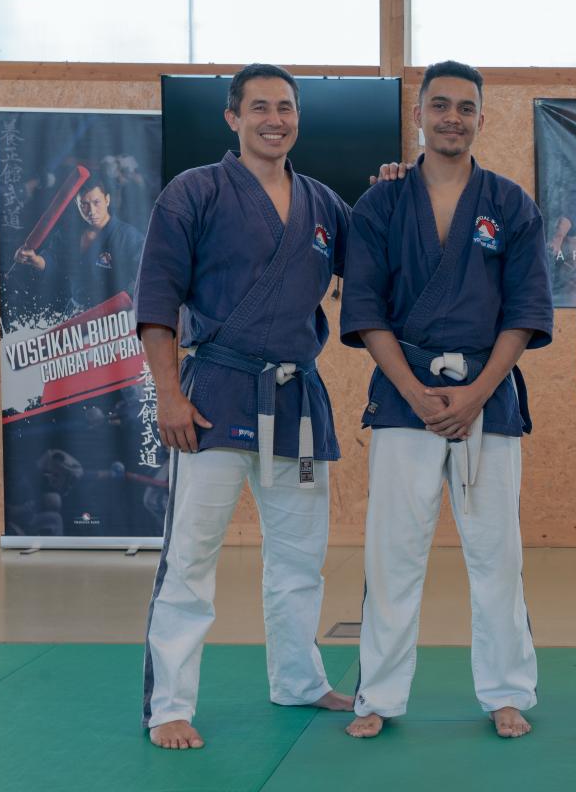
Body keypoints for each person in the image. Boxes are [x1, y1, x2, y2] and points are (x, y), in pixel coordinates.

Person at [135, 63, 354, 750]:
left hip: (296, 401)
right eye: (259, 107)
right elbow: (157, 302)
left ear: (298, 118)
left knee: (299, 557)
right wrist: (169, 393)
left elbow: (375, 265)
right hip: (215, 395)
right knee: (191, 558)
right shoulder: (193, 192)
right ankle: (169, 706)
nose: (274, 120)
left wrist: (395, 190)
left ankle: (299, 680)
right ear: (233, 117)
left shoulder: (324, 205)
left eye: (285, 107)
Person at [340, 60, 553, 741]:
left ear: (482, 119)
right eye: (440, 105)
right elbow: (365, 309)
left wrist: (476, 396)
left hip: (488, 399)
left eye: (465, 107)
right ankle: (377, 693)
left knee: (498, 554)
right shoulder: (380, 205)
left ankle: (507, 691)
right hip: (404, 396)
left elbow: (525, 312)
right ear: (419, 115)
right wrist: (415, 392)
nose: (452, 118)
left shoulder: (511, 204)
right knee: (392, 554)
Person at [13, 174, 144, 312]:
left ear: (107, 200)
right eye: (84, 205)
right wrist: (35, 260)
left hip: (113, 316)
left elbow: (145, 275)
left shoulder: (128, 236)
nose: (92, 211)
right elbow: (52, 259)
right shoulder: (69, 234)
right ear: (77, 204)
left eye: (96, 202)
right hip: (75, 312)